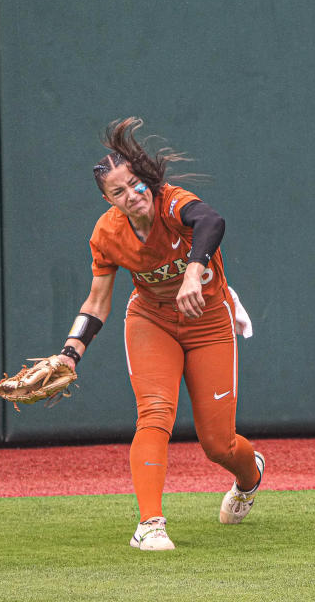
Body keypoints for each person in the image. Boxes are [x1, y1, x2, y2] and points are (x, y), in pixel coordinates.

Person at [54, 117, 264, 551]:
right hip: (152, 320)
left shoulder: (172, 202)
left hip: (208, 322)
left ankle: (250, 477)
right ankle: (150, 524)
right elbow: (96, 302)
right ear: (108, 200)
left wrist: (193, 272)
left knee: (218, 443)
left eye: (135, 184)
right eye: (118, 192)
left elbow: (211, 221)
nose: (132, 195)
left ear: (145, 180)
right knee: (154, 413)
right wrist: (70, 353)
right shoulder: (108, 234)